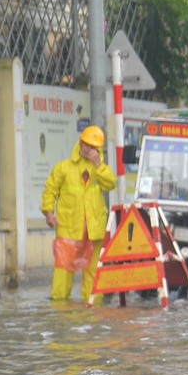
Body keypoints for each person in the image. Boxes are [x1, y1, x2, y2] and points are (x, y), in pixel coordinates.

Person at [42, 125, 116, 302]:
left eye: (93, 147)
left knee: (93, 274)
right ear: (80, 143)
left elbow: (111, 184)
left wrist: (98, 165)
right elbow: (50, 191)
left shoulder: (100, 170)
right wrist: (49, 213)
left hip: (94, 231)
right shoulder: (64, 168)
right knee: (63, 272)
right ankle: (60, 312)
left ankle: (92, 312)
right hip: (69, 229)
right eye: (86, 145)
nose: (89, 150)